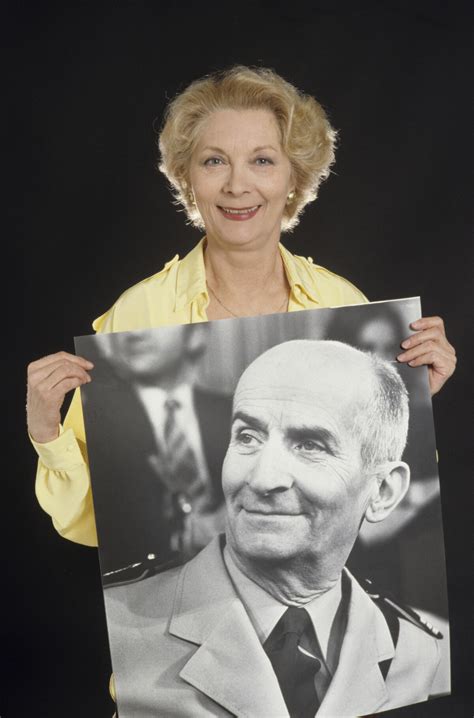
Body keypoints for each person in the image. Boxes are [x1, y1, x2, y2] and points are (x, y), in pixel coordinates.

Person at [26, 66, 456, 551]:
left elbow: (369, 502)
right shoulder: (136, 314)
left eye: (262, 161)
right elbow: (88, 524)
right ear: (188, 180)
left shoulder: (344, 304)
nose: (237, 185)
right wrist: (47, 433)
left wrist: (411, 405)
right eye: (214, 161)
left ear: (294, 179)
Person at [104, 340, 449, 718]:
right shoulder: (114, 629)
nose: (262, 478)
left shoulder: (426, 658)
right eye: (247, 437)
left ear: (382, 491)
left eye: (310, 445)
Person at [79, 323, 232, 573]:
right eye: (123, 322)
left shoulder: (231, 411)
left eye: (154, 320)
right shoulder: (90, 420)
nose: (134, 332)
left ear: (196, 334)